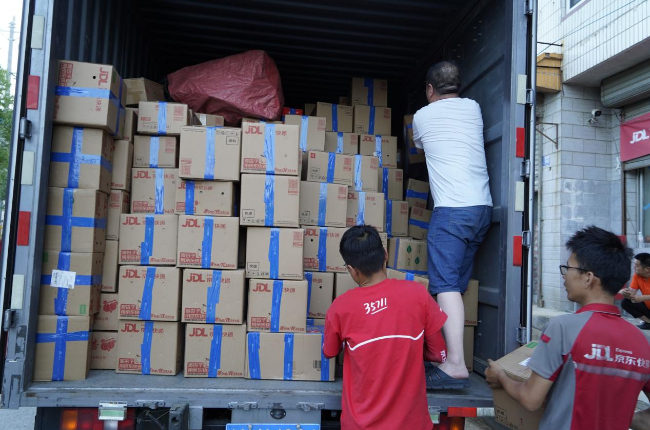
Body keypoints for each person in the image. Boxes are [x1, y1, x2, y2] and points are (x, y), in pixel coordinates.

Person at [485, 226, 650, 430]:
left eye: (568, 268)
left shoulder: (563, 328)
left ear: (588, 277)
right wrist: (616, 416)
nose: (564, 275)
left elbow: (530, 398)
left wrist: (500, 377)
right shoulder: (643, 342)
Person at [412, 60, 492, 388]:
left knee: (445, 286)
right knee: (455, 286)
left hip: (452, 212)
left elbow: (418, 147)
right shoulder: (473, 108)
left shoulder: (422, 116)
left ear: (430, 89)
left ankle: (456, 364)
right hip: (481, 210)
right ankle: (445, 355)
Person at [323, 225, 448, 430]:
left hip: (360, 425)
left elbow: (329, 352)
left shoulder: (340, 307)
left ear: (352, 270)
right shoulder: (418, 294)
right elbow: (439, 354)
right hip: (413, 425)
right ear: (386, 255)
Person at [621, 253, 650, 330]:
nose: (634, 267)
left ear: (647, 269)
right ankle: (648, 322)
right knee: (626, 302)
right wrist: (626, 293)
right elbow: (632, 293)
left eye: (637, 265)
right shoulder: (637, 276)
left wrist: (642, 298)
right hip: (648, 308)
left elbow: (640, 298)